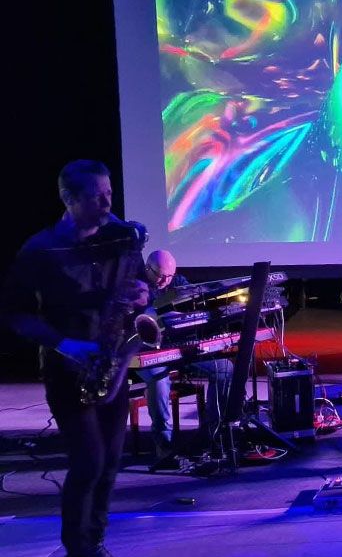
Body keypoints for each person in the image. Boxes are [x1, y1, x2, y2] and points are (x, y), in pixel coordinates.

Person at [0, 160, 147, 557]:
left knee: (111, 461)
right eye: (97, 197)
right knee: (89, 461)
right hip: (68, 368)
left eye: (109, 194)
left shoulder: (122, 238)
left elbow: (141, 288)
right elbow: (14, 313)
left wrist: (143, 296)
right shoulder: (40, 250)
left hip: (112, 364)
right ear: (68, 199)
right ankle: (78, 548)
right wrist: (65, 343)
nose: (108, 204)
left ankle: (96, 541)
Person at [136, 249, 233, 463]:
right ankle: (164, 444)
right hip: (148, 352)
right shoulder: (137, 284)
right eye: (160, 276)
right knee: (159, 380)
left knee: (224, 368)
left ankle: (212, 434)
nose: (165, 281)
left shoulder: (177, 282)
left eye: (169, 276)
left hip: (179, 349)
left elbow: (192, 304)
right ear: (148, 268)